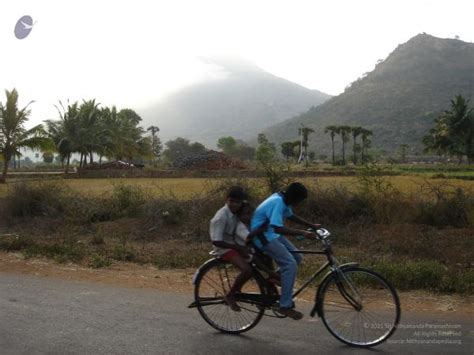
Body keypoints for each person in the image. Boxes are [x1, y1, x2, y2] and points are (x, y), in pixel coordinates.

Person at [250, 182, 320, 320]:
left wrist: (311, 225)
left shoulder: (283, 200)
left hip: (270, 234)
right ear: (294, 198)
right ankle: (284, 305)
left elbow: (290, 216)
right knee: (289, 264)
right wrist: (304, 233)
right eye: (299, 200)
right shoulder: (278, 202)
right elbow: (277, 228)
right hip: (262, 236)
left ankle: (272, 278)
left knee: (297, 258)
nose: (299, 203)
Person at [209, 186, 265, 312]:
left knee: (261, 255)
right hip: (223, 248)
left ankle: (268, 285)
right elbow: (216, 241)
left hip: (235, 244)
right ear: (227, 200)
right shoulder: (221, 217)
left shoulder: (236, 212)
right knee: (247, 270)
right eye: (231, 201)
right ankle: (230, 295)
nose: (234, 204)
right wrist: (239, 248)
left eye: (237, 202)